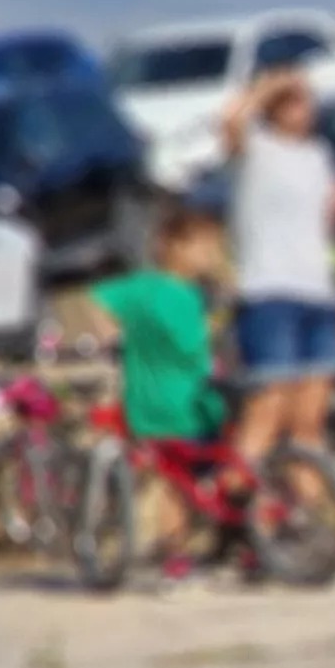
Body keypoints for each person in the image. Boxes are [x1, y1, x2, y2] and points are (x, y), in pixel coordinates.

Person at [214, 68, 335, 468]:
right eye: (296, 101)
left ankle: (309, 522)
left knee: (309, 422)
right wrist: (269, 86)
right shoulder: (255, 148)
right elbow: (230, 121)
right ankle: (233, 501)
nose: (305, 109)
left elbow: (327, 217)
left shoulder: (318, 155)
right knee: (268, 411)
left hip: (318, 290)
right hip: (269, 290)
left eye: (307, 100)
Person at [91, 208, 229, 582]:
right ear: (173, 247)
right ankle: (177, 552)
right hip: (163, 402)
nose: (210, 256)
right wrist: (114, 341)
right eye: (203, 248)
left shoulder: (200, 293)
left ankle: (204, 545)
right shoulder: (148, 288)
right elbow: (99, 301)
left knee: (198, 478)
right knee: (176, 482)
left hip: (200, 401)